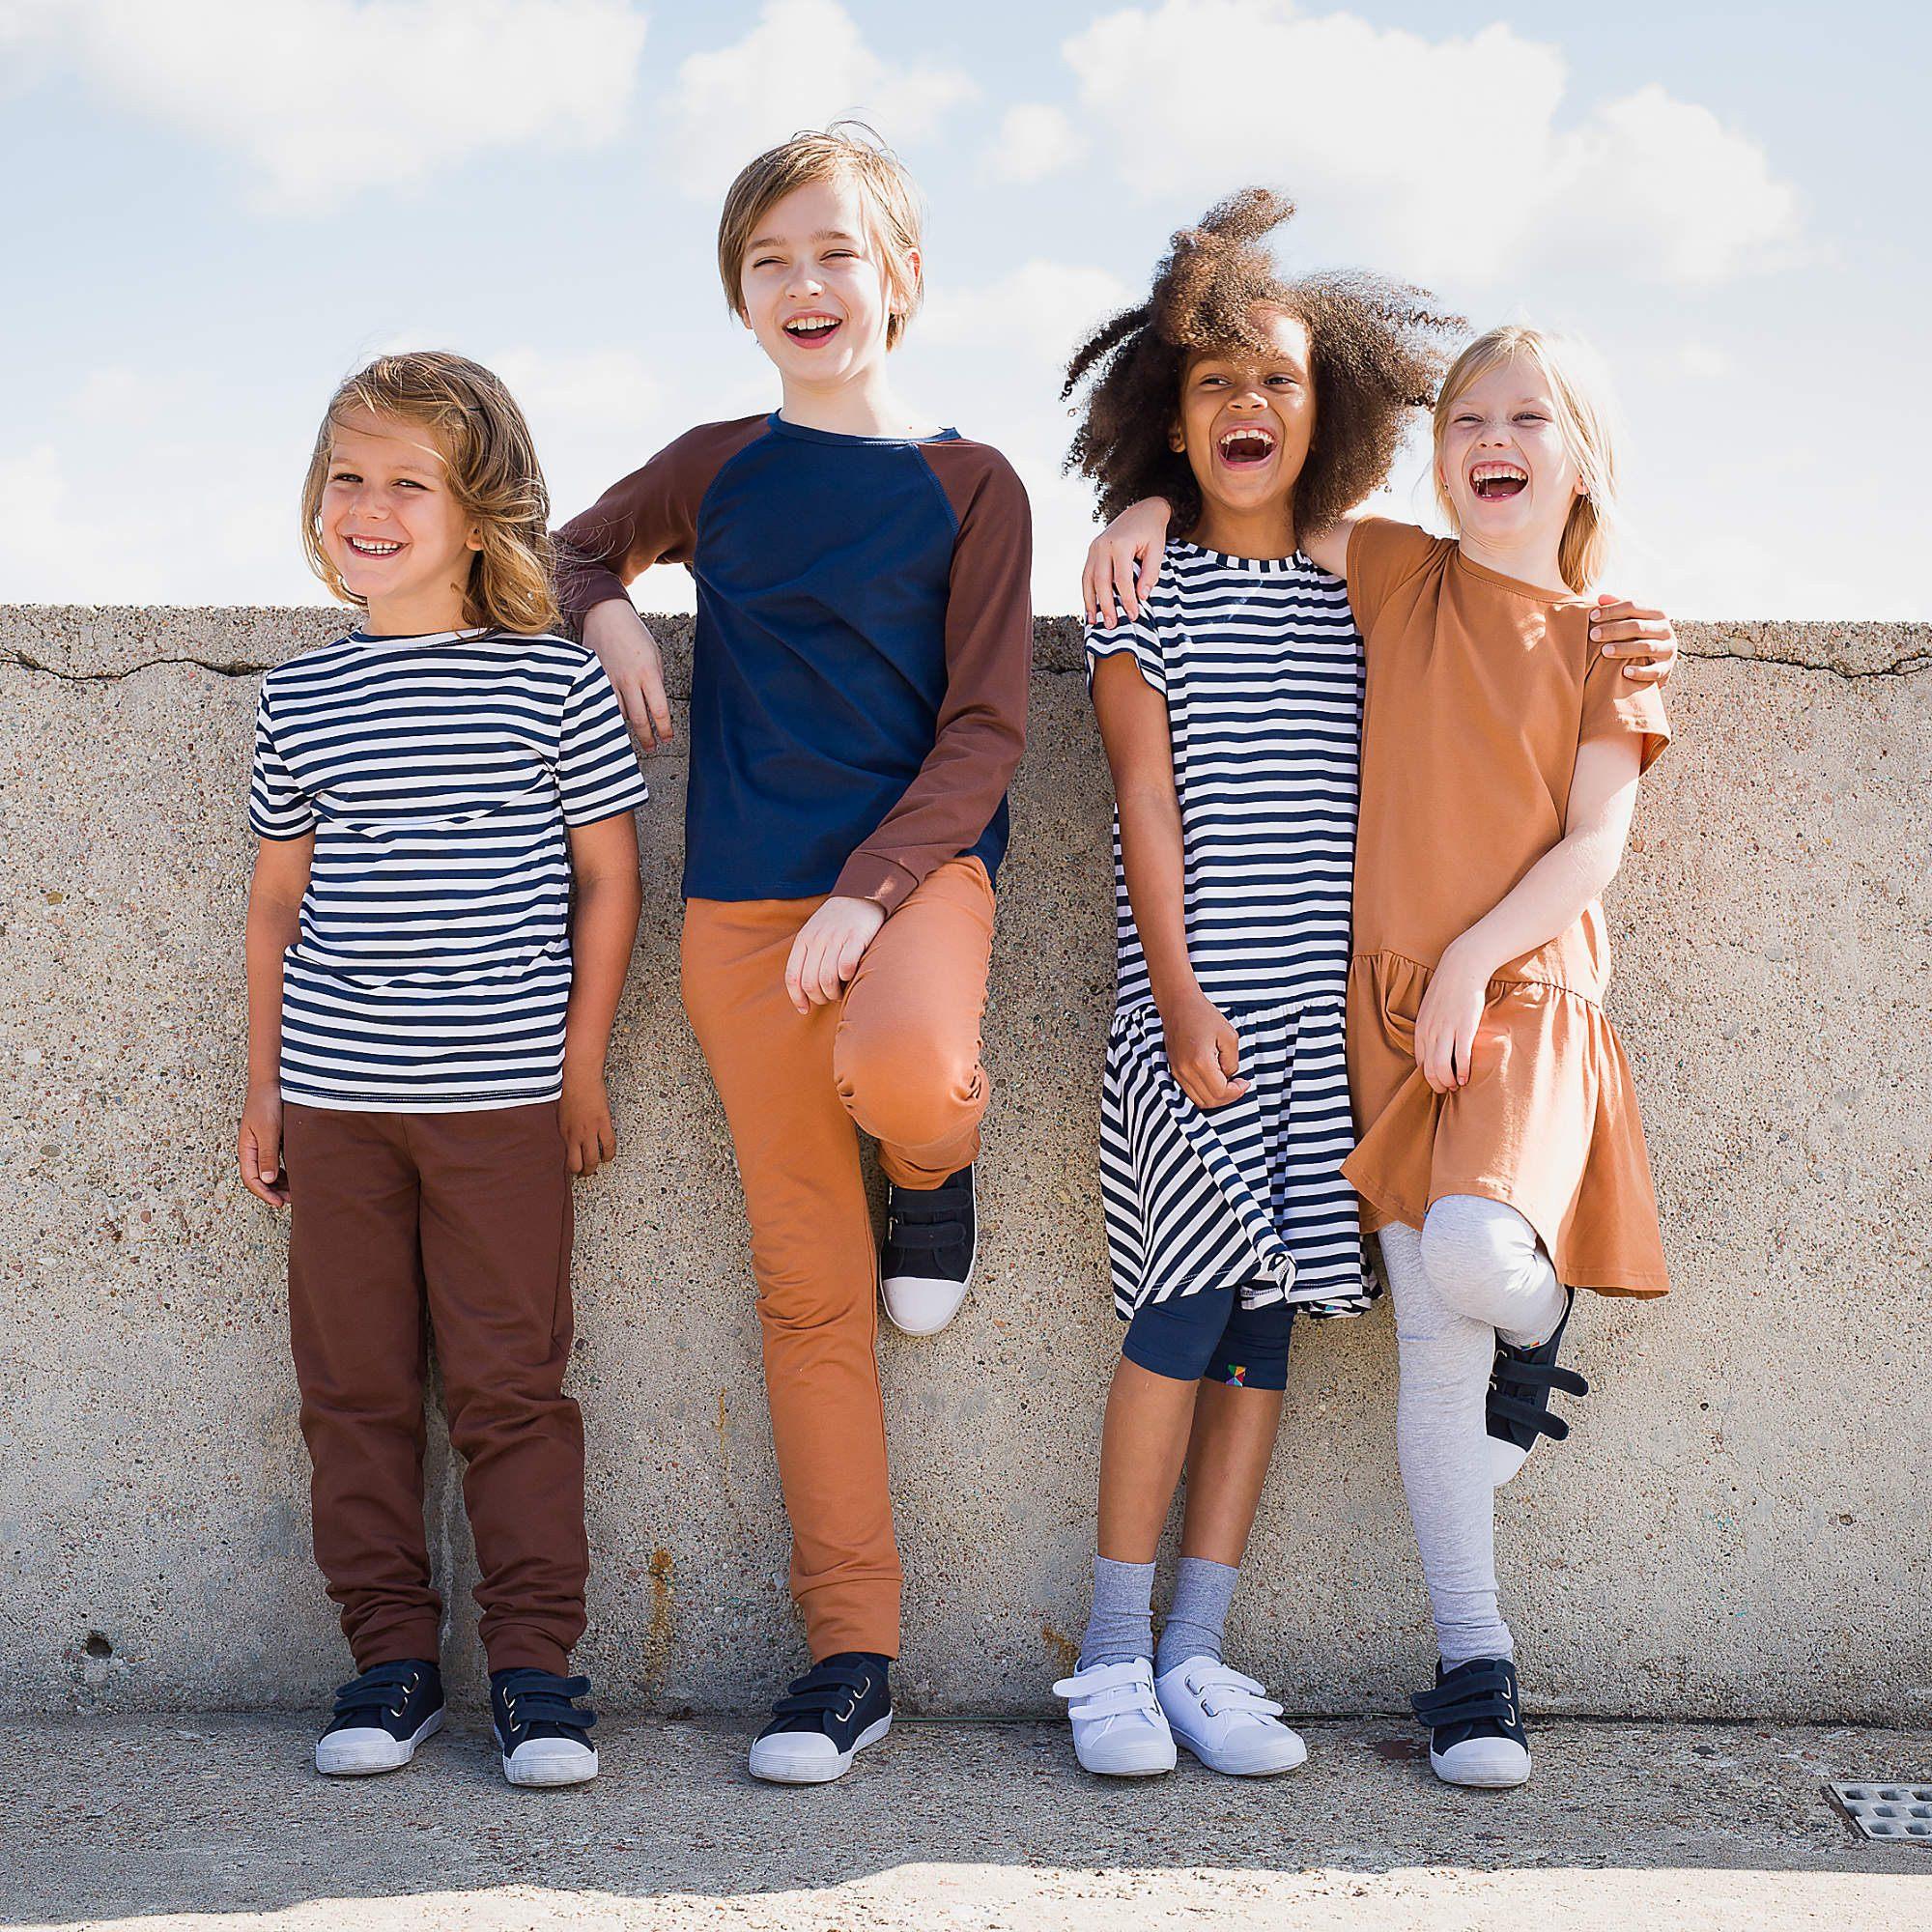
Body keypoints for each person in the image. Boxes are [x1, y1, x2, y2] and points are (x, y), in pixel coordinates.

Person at [1084, 321, 1676, 1788]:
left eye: (1530, 418)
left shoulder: (1606, 633)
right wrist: (1138, 499)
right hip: (1349, 1012)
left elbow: (1596, 836)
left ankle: (1536, 1337)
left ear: (1583, 452)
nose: (1495, 439)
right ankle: (1437, 1666)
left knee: (1440, 1284)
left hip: (1505, 999)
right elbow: (1257, 501)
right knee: (1324, 1330)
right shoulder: (1394, 571)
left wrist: (1476, 956)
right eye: (1468, 415)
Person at [552, 124, 1031, 1783]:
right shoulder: (716, 462)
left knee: (905, 1071)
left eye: (836, 253)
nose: (806, 285)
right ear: (742, 299)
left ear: (901, 277)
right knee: (810, 1299)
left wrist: (875, 889)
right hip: (737, 915)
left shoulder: (975, 485)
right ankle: (854, 1654)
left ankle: (940, 1162)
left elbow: (983, 731)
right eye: (771, 262)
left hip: (917, 885)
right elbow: (567, 547)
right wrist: (609, 606)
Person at [1050, 191, 1461, 1777]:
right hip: (1194, 1017)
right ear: (1168, 411)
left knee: (1267, 1327)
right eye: (1214, 381)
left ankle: (1198, 1657)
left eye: (1279, 378)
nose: (1248, 405)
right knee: (1180, 1306)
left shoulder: (1362, 588)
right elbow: (1143, 809)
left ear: (1327, 406)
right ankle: (1106, 1658)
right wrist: (1176, 994)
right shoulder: (1137, 599)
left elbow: (1514, 573)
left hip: (1325, 1033)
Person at [239, 352, 646, 1786]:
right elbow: (279, 902)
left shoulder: (551, 688)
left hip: (502, 1106)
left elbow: (611, 881)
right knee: (351, 1392)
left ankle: (538, 1676)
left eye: (408, 481)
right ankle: (389, 1667)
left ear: (478, 515)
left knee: (509, 1391)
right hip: (341, 1108)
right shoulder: (301, 700)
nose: (370, 505)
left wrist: (580, 1066)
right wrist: (264, 1087)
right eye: (348, 477)